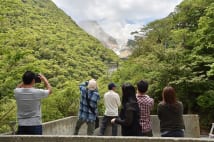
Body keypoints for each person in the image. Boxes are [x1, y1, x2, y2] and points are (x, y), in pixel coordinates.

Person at [14, 71, 52, 135]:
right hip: (35, 124)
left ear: (23, 80)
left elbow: (18, 87)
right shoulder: (37, 92)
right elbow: (50, 91)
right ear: (33, 80)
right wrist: (44, 79)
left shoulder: (17, 92)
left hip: (21, 125)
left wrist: (26, 80)